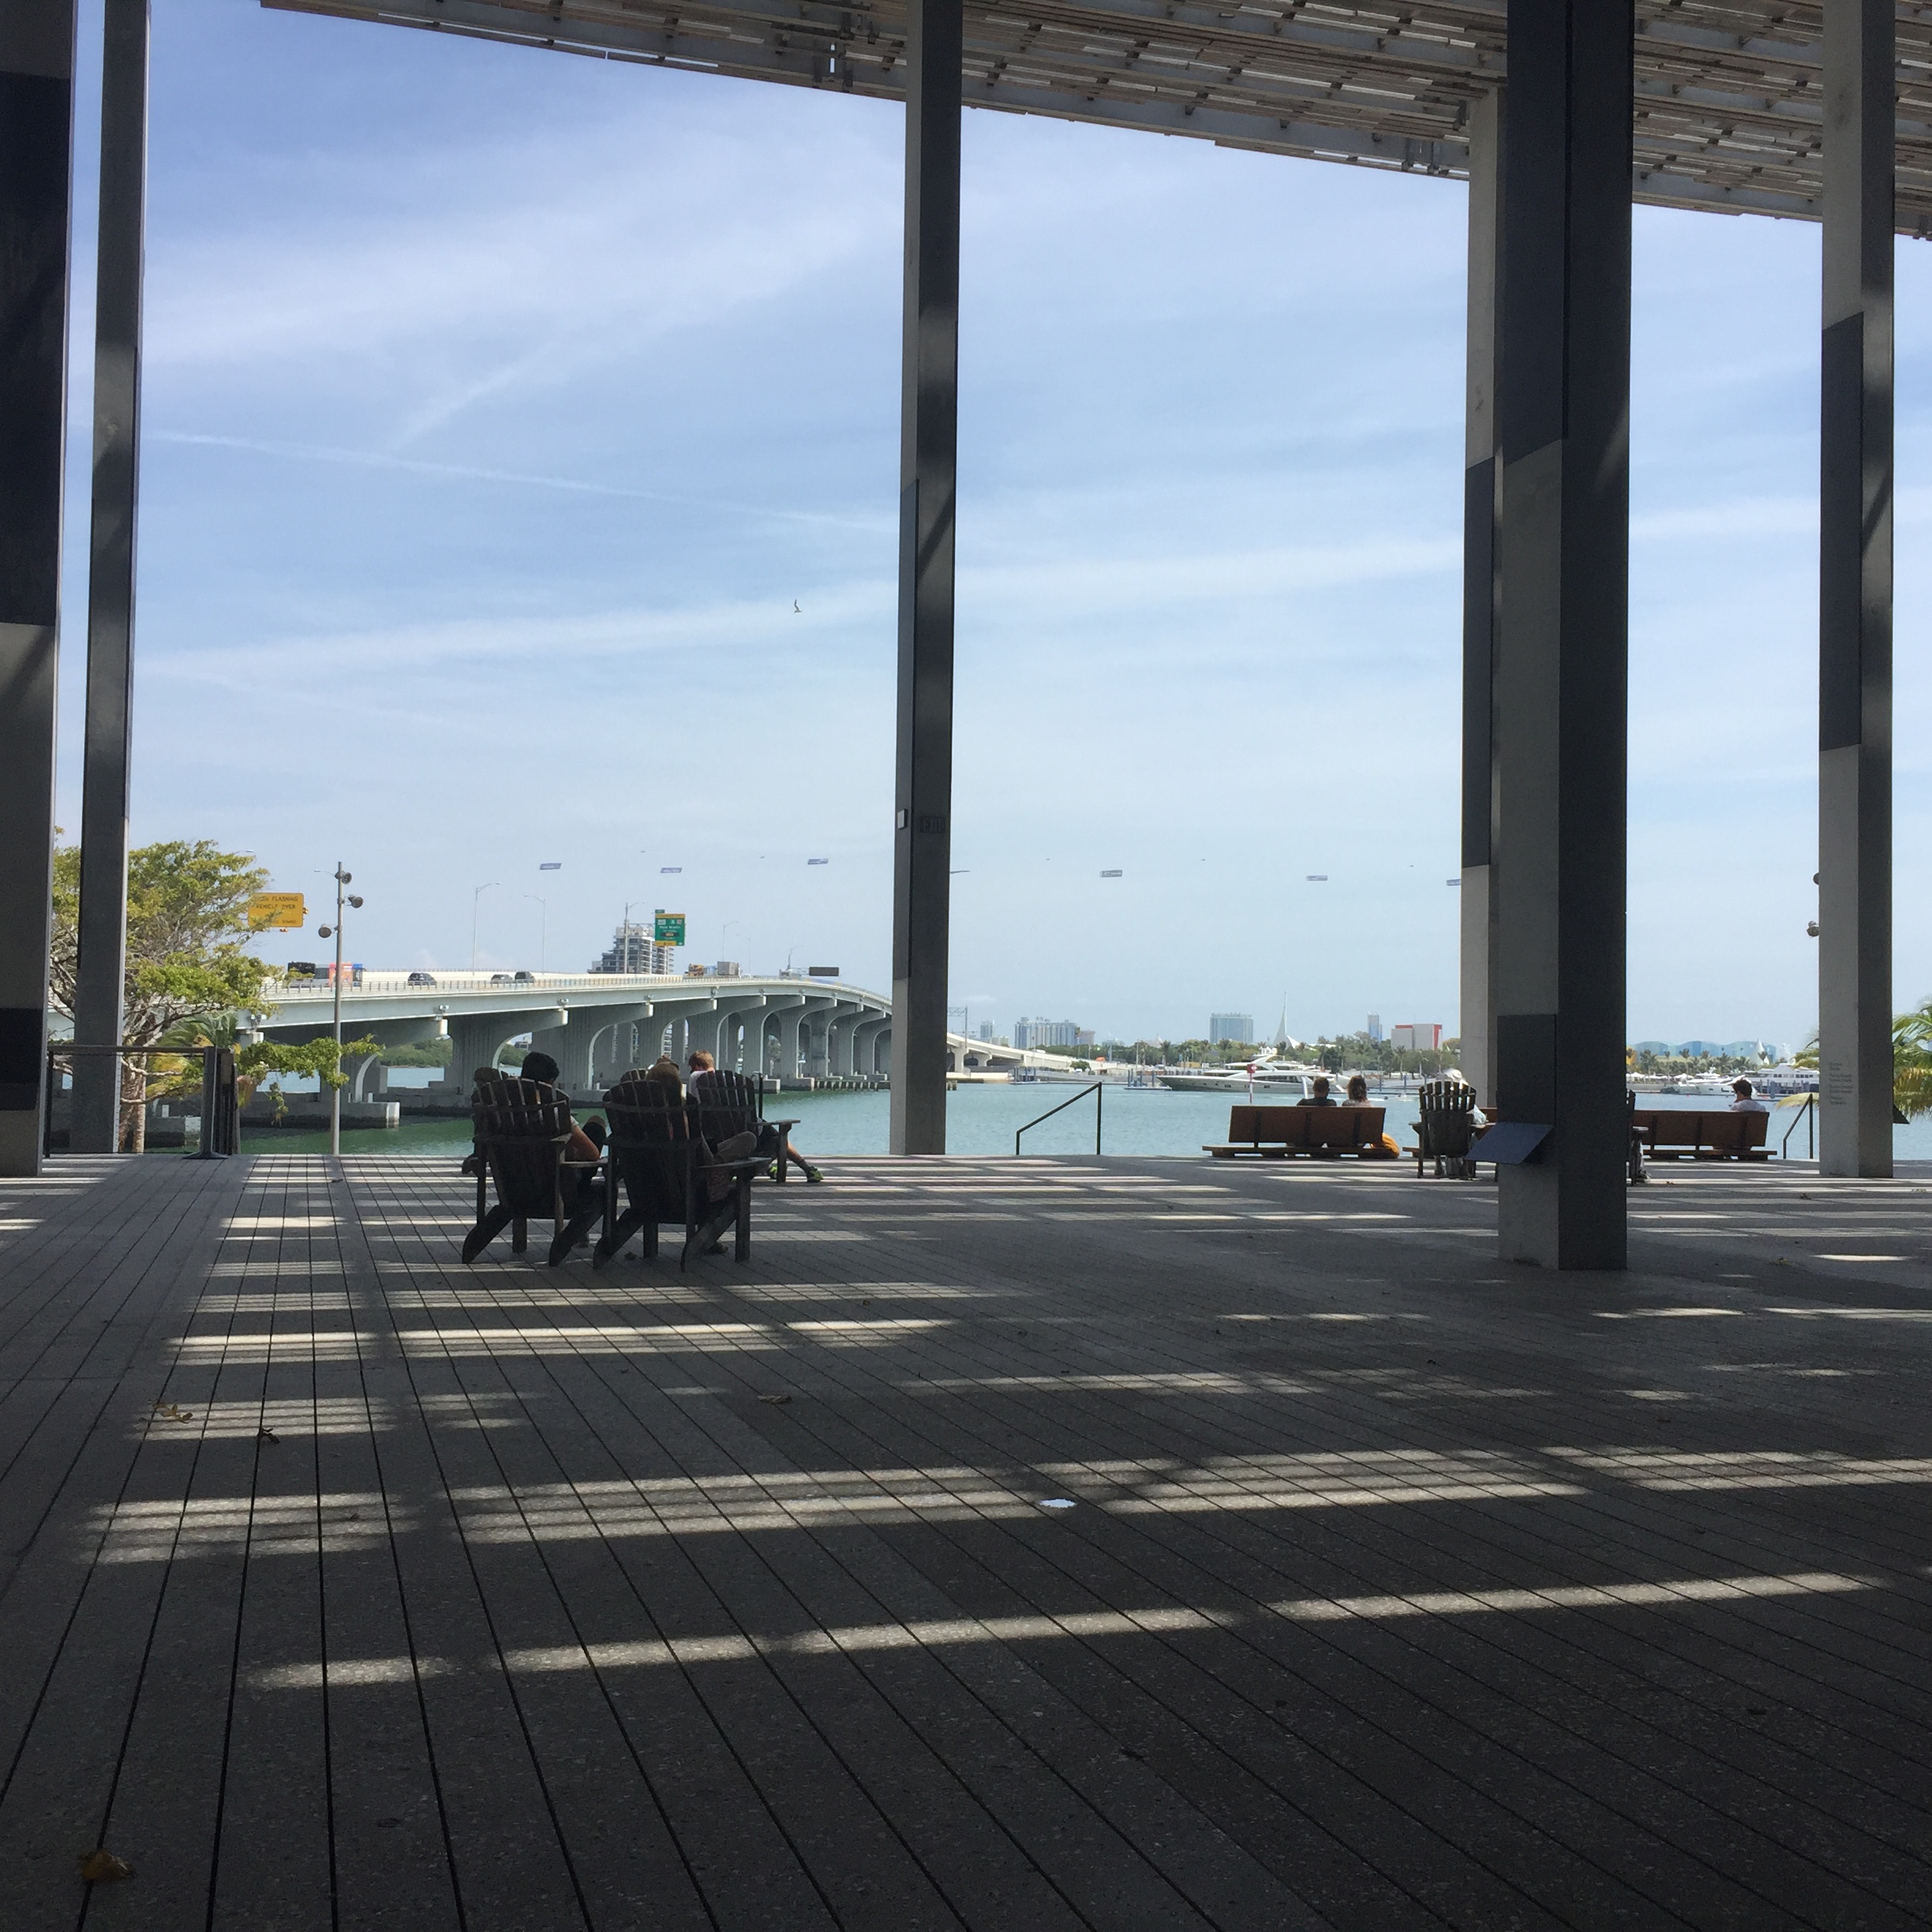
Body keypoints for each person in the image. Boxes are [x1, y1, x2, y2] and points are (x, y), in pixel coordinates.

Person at [687, 1049, 823, 1182]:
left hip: (715, 1134)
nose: (692, 1072)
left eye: (692, 1069)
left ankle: (768, 1168)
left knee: (764, 1137)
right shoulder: (734, 1081)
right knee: (779, 1138)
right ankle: (806, 1169)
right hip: (747, 1128)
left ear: (698, 1067)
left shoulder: (696, 1078)